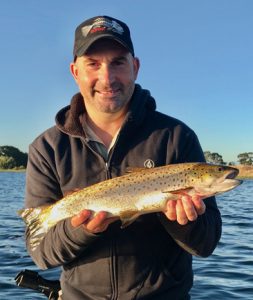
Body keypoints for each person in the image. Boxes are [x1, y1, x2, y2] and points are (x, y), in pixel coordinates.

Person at [24, 15, 222, 300]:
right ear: (75, 71)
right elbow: (42, 255)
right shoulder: (47, 148)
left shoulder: (177, 136)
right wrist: (82, 229)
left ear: (135, 67)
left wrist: (185, 221)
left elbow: (206, 244)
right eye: (93, 64)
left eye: (118, 62)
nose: (107, 78)